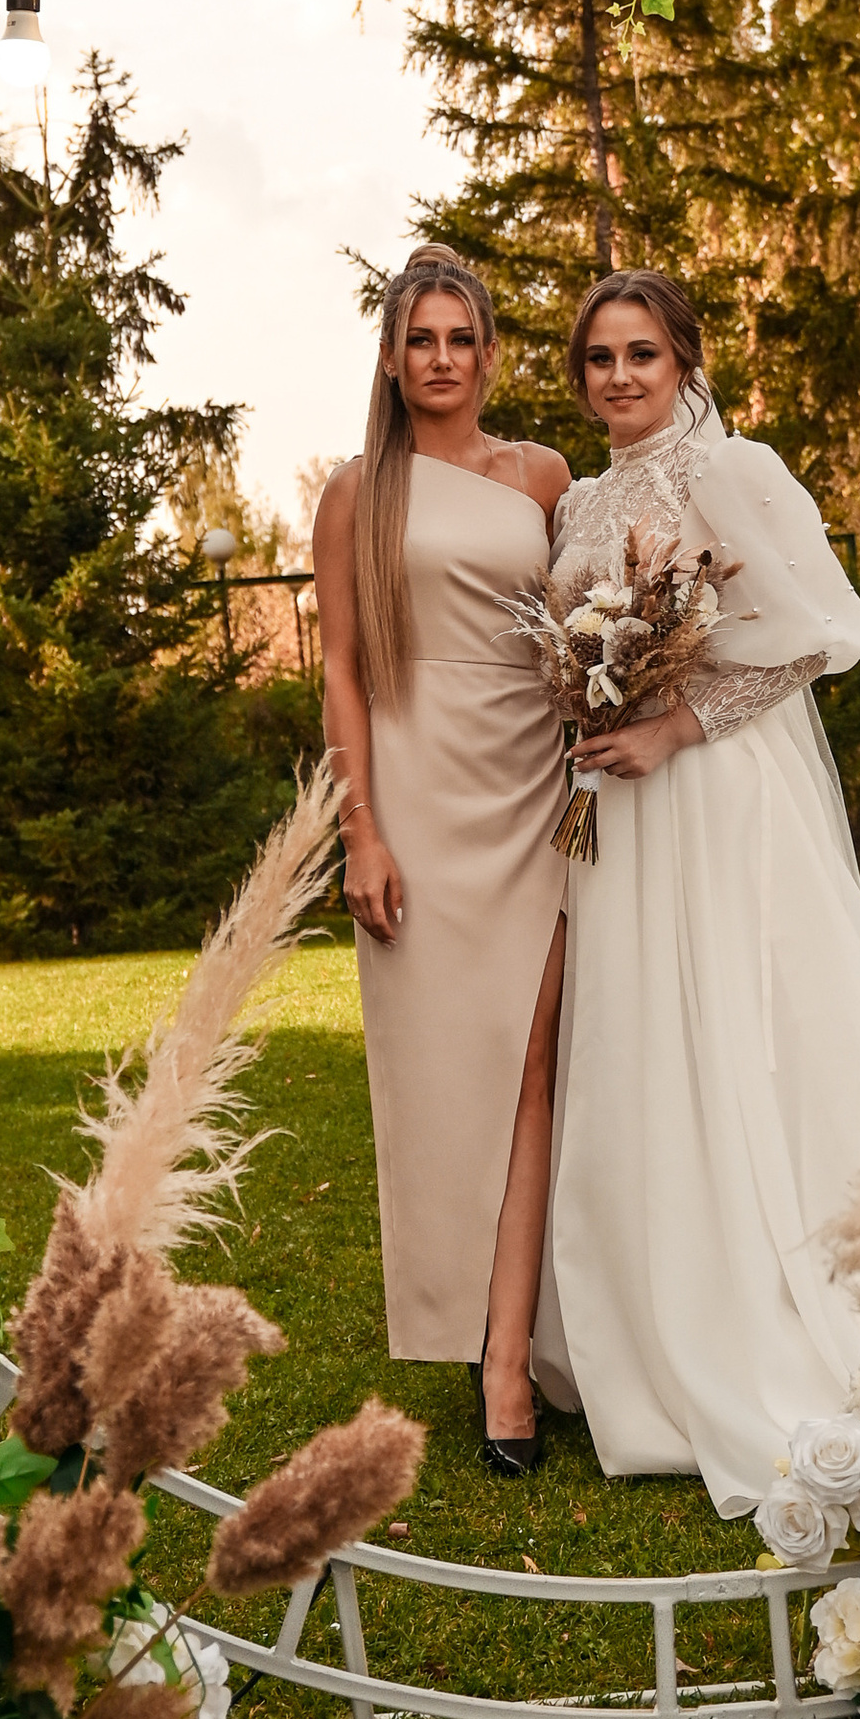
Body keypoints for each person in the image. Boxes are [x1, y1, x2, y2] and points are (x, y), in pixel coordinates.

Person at [537, 269, 860, 1518]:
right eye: (599, 358)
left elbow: (815, 635)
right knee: (643, 1040)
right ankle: (652, 1317)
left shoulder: (731, 469)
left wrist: (675, 726)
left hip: (713, 793)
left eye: (641, 354)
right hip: (618, 808)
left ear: (684, 361)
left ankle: (807, 1300)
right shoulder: (581, 500)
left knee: (753, 1026)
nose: (619, 377)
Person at [311, 248, 569, 1474]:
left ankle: (510, 1358)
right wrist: (360, 828)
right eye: (421, 338)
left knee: (533, 1066)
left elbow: (585, 623)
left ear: (490, 353)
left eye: (461, 337)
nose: (442, 358)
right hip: (415, 795)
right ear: (390, 357)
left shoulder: (543, 475)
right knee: (439, 1079)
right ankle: (467, 1319)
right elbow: (341, 670)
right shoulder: (357, 493)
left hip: (535, 788)